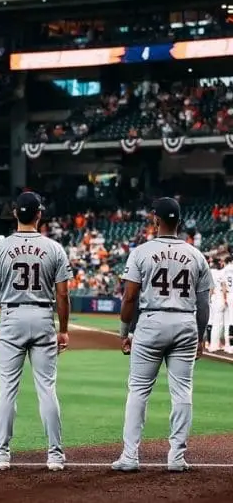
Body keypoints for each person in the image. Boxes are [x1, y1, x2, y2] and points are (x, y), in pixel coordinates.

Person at [112, 197, 211, 472]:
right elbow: (204, 305)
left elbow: (130, 297)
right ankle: (176, 459)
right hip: (184, 323)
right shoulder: (196, 255)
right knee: (182, 392)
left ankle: (130, 457)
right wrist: (201, 336)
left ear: (155, 219)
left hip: (152, 321)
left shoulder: (141, 252)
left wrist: (124, 332)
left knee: (139, 391)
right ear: (179, 221)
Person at [0, 191, 71, 471]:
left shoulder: (0, 248)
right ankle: (55, 456)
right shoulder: (54, 248)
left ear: (15, 215)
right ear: (39, 215)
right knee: (47, 389)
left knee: (7, 389)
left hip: (11, 315)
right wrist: (64, 330)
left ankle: (1, 454)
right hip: (44, 315)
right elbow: (63, 294)